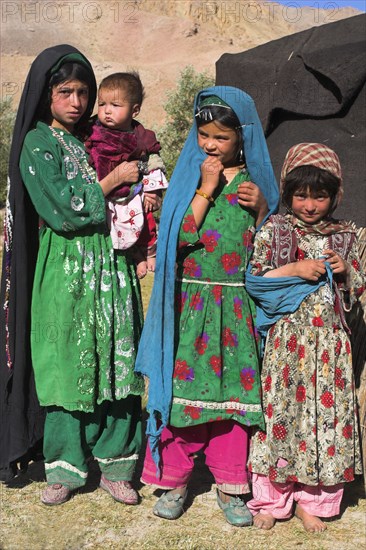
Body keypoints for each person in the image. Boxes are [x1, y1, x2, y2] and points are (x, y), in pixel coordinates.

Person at [0, 45, 147, 505]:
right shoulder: (37, 142)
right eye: (66, 91)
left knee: (118, 362)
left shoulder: (97, 136)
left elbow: (139, 176)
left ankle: (118, 465)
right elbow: (64, 208)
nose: (78, 102)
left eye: (84, 92)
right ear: (46, 95)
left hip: (113, 266)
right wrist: (108, 183)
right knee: (66, 363)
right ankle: (64, 468)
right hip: (66, 269)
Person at [135, 87, 279, 525]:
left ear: (243, 137)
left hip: (235, 307)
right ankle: (174, 482)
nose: (211, 145)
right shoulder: (191, 177)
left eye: (221, 137)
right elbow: (177, 238)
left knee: (233, 400)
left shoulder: (256, 185)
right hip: (192, 304)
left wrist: (259, 212)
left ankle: (232, 485)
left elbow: (270, 244)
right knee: (183, 394)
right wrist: (206, 188)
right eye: (204, 135)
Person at [246, 143, 364, 532]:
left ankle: (311, 502)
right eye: (300, 195)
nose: (310, 205)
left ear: (336, 195)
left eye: (320, 195)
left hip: (330, 349)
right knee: (281, 418)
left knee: (323, 423)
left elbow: (359, 292)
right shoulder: (275, 230)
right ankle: (272, 500)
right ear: (287, 192)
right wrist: (295, 267)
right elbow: (255, 279)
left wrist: (346, 270)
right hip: (286, 347)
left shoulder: (350, 236)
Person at [85, 72, 168, 279]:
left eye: (115, 105)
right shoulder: (92, 131)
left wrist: (153, 190)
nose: (106, 111)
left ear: (135, 110)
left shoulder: (141, 137)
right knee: (115, 228)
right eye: (102, 104)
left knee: (145, 220)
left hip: (133, 193)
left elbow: (154, 161)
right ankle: (135, 256)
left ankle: (150, 252)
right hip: (105, 193)